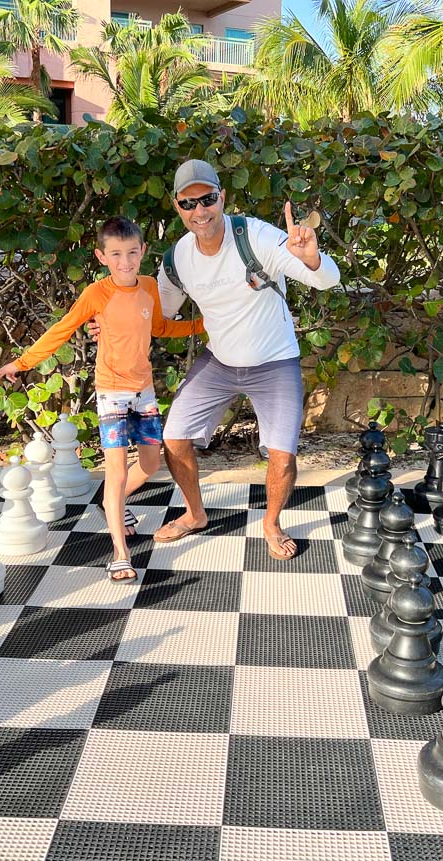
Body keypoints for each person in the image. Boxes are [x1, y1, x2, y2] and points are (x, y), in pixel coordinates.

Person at [0, 216, 205, 583]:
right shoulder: (96, 294)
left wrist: (204, 324)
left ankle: (116, 505)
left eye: (133, 253)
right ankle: (121, 555)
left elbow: (161, 328)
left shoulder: (150, 287)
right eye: (117, 254)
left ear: (142, 252)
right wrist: (21, 362)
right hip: (111, 393)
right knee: (117, 471)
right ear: (101, 256)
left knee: (151, 465)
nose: (126, 262)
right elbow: (63, 329)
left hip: (145, 392)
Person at [150, 159, 342, 560]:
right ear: (176, 207)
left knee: (282, 452)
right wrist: (109, 323)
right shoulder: (177, 259)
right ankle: (195, 514)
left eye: (207, 200)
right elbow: (157, 317)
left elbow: (327, 280)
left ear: (222, 197)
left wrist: (310, 258)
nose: (199, 212)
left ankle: (271, 523)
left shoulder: (254, 236)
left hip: (274, 362)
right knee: (174, 436)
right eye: (188, 204)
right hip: (219, 362)